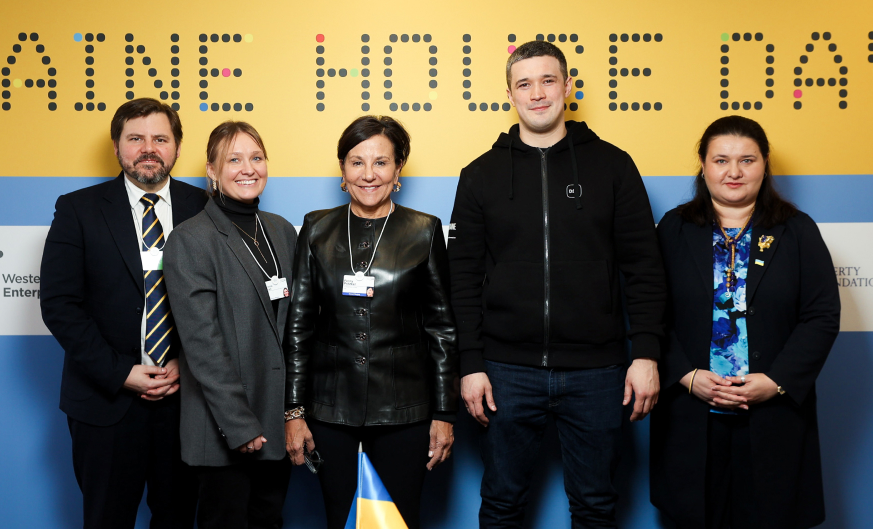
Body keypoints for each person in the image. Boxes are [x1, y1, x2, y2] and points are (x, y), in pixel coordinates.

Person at [447, 40, 666, 528]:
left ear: (568, 86)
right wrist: (471, 363)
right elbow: (461, 277)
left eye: (548, 80)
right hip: (505, 372)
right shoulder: (480, 175)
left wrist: (647, 354)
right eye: (524, 84)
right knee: (501, 505)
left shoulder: (613, 166)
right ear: (510, 95)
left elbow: (644, 268)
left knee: (596, 506)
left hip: (598, 372)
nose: (538, 93)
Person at [650, 115, 840, 529]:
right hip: (692, 411)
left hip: (773, 413)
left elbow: (822, 315)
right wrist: (685, 375)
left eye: (747, 160)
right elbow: (649, 311)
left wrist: (776, 381)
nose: (733, 172)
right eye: (721, 160)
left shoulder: (797, 231)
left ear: (765, 164)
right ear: (703, 165)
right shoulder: (674, 229)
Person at [284, 115, 458, 529]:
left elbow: (442, 329)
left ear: (398, 170)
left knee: (398, 520)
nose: (368, 174)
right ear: (342, 169)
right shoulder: (317, 228)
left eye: (381, 162)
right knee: (340, 518)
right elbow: (299, 326)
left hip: (405, 410)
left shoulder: (424, 230)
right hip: (330, 408)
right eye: (357, 162)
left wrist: (445, 413)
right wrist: (293, 411)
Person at [40, 98, 205, 529]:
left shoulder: (205, 207)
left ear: (177, 147)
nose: (148, 148)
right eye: (136, 138)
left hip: (186, 404)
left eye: (160, 138)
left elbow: (222, 304)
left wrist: (187, 364)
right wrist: (121, 373)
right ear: (116, 146)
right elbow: (60, 305)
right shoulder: (77, 209)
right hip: (104, 403)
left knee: (178, 520)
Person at [162, 121, 297, 529]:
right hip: (225, 429)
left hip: (276, 422)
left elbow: (292, 327)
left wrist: (294, 413)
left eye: (256, 158)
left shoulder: (281, 230)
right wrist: (239, 424)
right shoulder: (190, 239)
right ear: (212, 170)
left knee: (269, 522)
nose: (248, 168)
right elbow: (201, 343)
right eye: (233, 159)